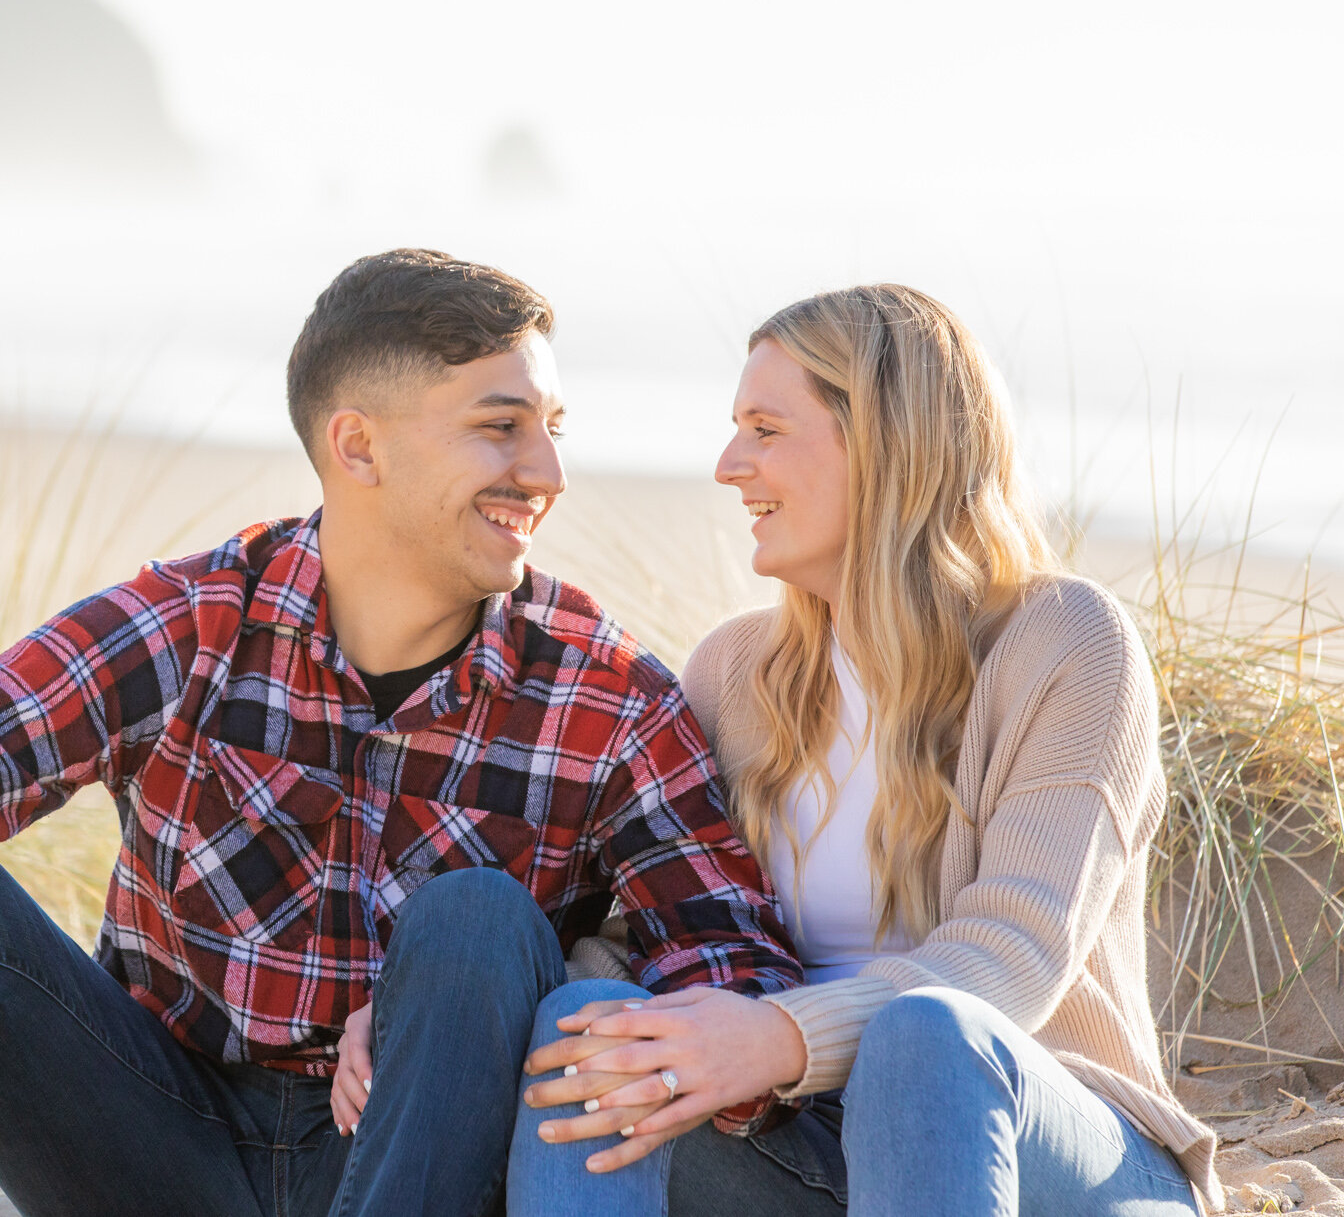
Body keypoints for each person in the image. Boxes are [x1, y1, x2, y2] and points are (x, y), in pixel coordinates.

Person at [0, 248, 800, 1217]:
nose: (546, 475)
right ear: (356, 446)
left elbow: (733, 971)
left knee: (476, 922)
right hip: (154, 1141)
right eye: (500, 428)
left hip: (400, 1161)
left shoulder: (600, 694)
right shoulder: (196, 622)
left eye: (552, 430)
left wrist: (510, 996)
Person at [504, 285, 1221, 1215]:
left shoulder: (1067, 641)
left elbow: (1014, 958)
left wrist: (777, 1035)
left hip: (1061, 1148)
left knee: (927, 1037)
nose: (729, 464)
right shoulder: (734, 671)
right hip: (809, 1139)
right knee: (584, 1029)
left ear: (884, 444)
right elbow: (636, 929)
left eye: (765, 428)